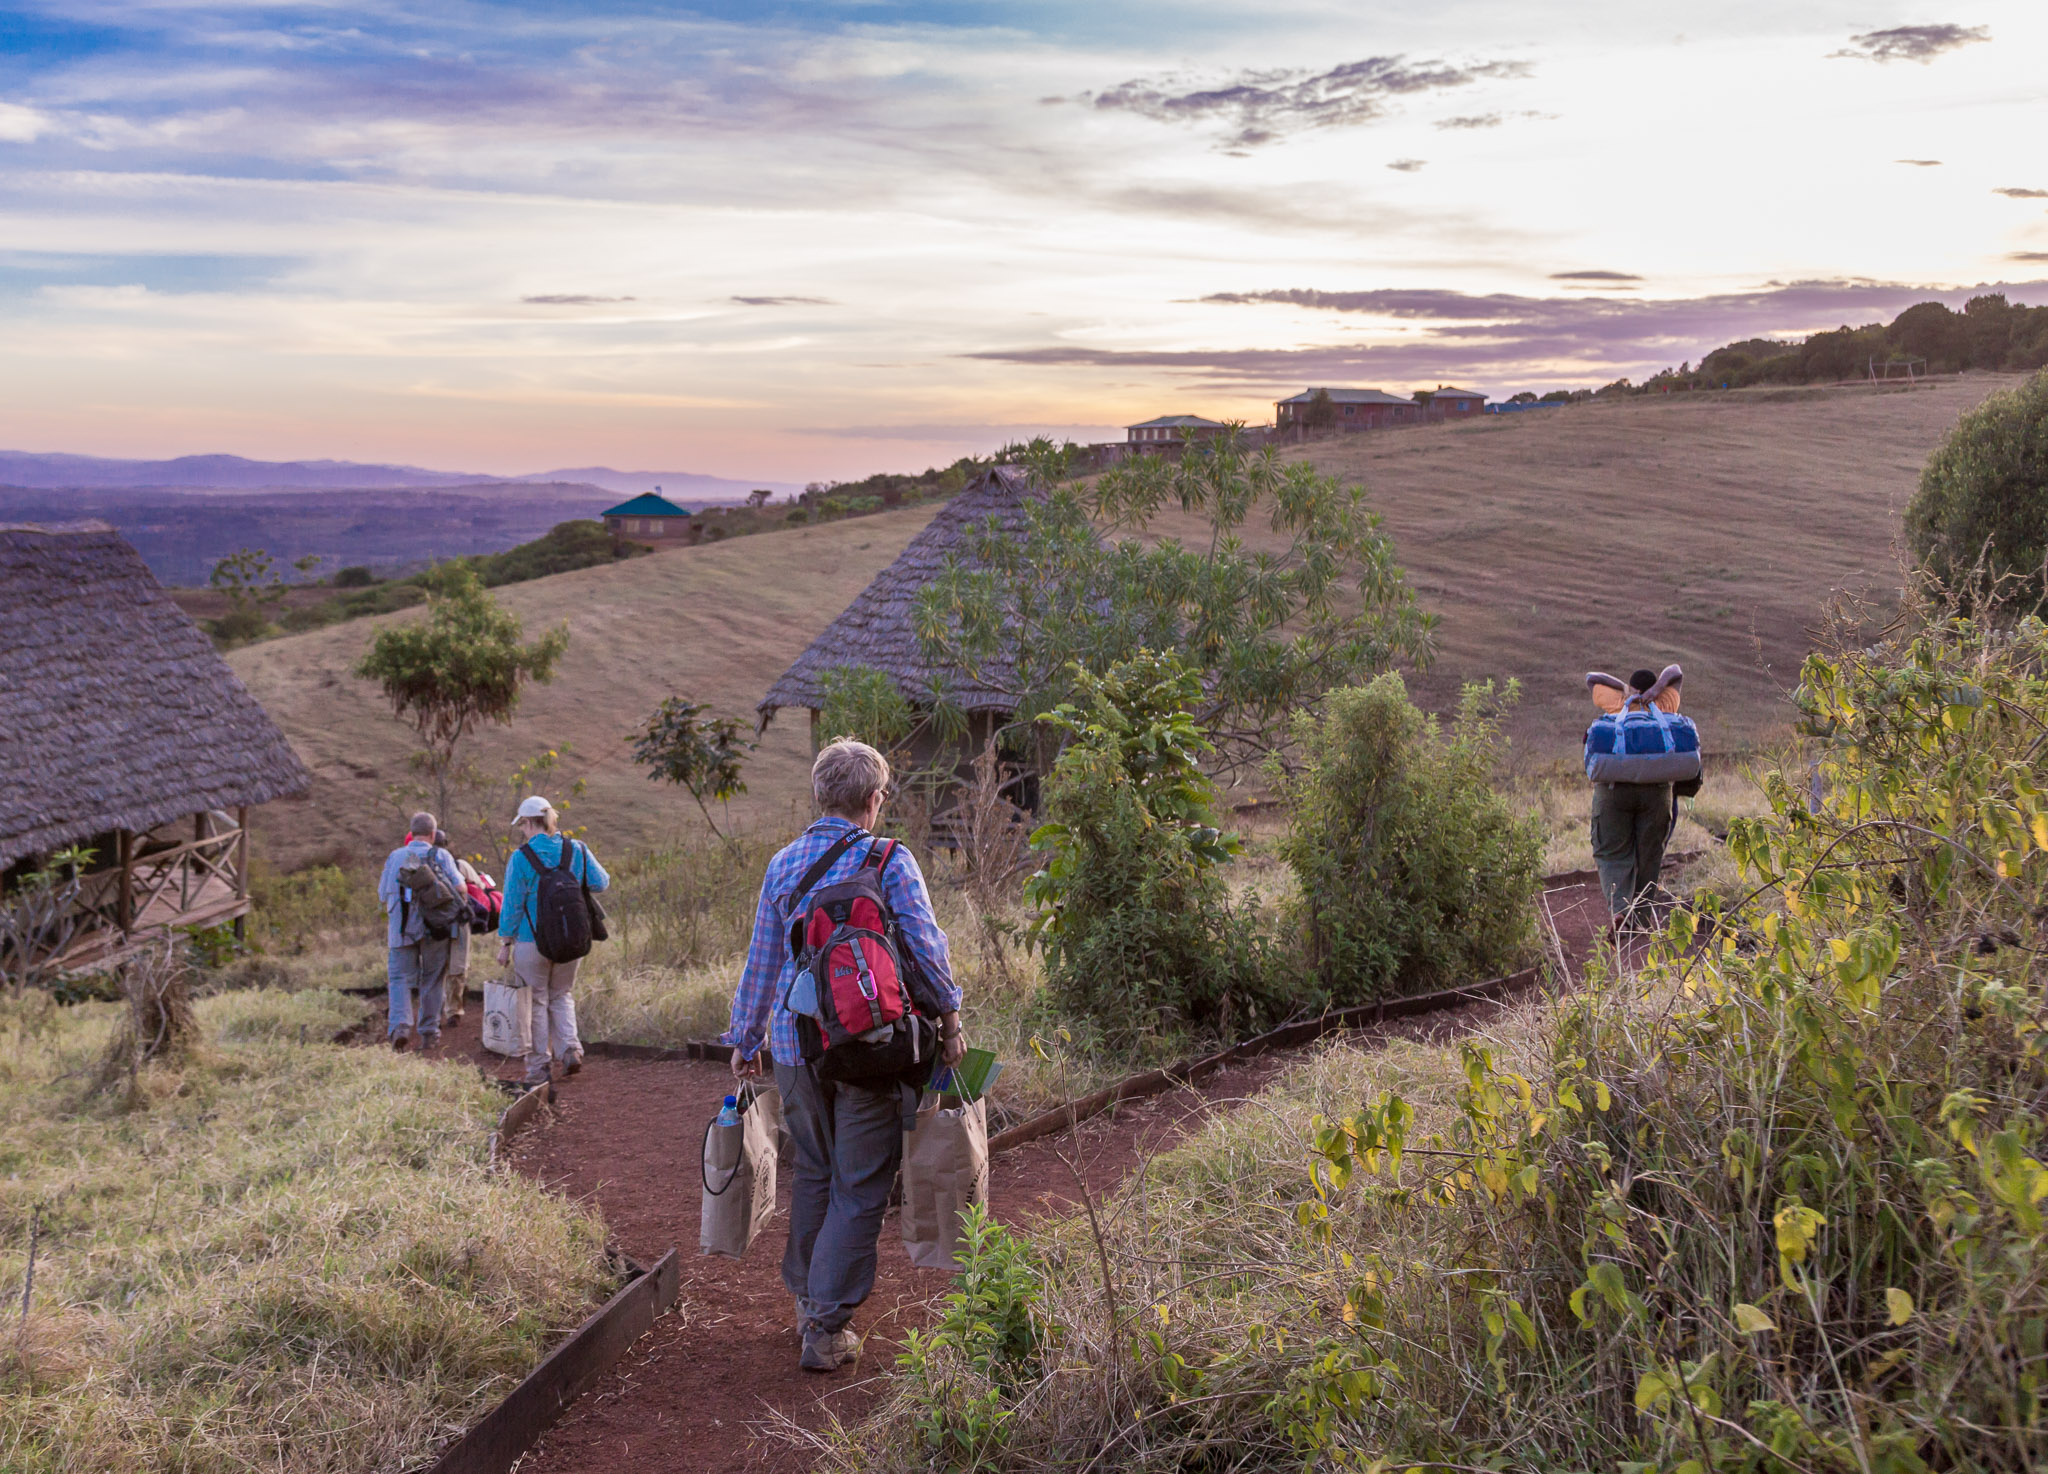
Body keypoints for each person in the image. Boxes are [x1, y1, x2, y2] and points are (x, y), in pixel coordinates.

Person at [726, 738, 966, 1374]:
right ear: (873, 798)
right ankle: (827, 1327)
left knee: (816, 1172)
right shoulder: (889, 858)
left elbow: (763, 962)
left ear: (818, 794)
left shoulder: (783, 864)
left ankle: (809, 1301)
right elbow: (923, 945)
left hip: (793, 1048)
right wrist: (950, 1017)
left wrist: (745, 1039)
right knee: (860, 1186)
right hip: (869, 1045)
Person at [496, 796, 607, 1086]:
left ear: (530, 822)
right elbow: (601, 882)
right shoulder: (577, 849)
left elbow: (512, 905)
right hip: (572, 939)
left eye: (522, 824)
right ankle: (570, 1049)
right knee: (561, 994)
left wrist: (505, 942)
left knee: (536, 1001)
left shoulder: (521, 858)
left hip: (530, 942)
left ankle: (539, 1068)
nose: (522, 829)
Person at [1589, 666, 1680, 932]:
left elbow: (1592, 679)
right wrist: (1657, 690)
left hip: (1614, 791)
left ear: (1631, 688)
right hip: (1657, 791)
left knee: (1611, 853)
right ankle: (1639, 920)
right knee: (1650, 855)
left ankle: (1620, 911)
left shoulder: (1618, 703)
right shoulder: (1666, 702)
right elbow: (1676, 671)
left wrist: (1628, 692)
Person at [378, 812, 466, 1052]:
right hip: (435, 928)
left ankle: (400, 1028)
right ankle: (428, 1033)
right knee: (433, 979)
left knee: (399, 979)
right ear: (433, 834)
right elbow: (460, 887)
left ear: (411, 832)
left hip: (400, 930)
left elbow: (383, 894)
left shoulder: (395, 856)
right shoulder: (441, 855)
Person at [435, 828, 484, 1029]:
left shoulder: (420, 865)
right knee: (458, 967)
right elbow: (479, 888)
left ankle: (437, 1010)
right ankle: (453, 1010)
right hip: (458, 921)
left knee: (437, 969)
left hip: (433, 923)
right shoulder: (460, 866)